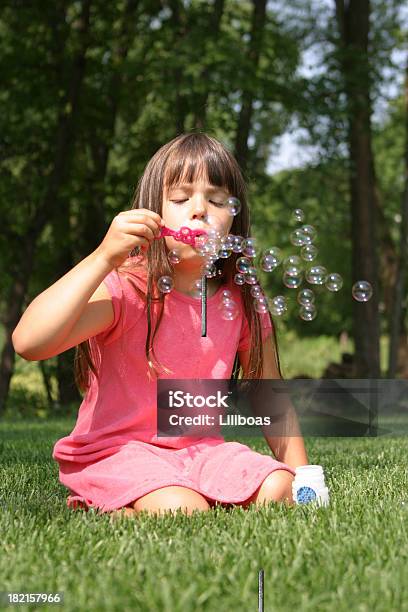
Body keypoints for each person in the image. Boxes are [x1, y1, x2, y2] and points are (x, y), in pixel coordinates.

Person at [12, 132, 308, 519]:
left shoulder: (242, 298)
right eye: (181, 199)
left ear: (234, 218)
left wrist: (305, 477)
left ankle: (141, 505)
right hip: (118, 451)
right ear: (153, 213)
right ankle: (111, 503)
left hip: (200, 452)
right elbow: (29, 342)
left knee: (279, 486)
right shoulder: (127, 287)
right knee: (181, 508)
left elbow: (270, 395)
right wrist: (103, 257)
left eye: (217, 200)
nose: (200, 210)